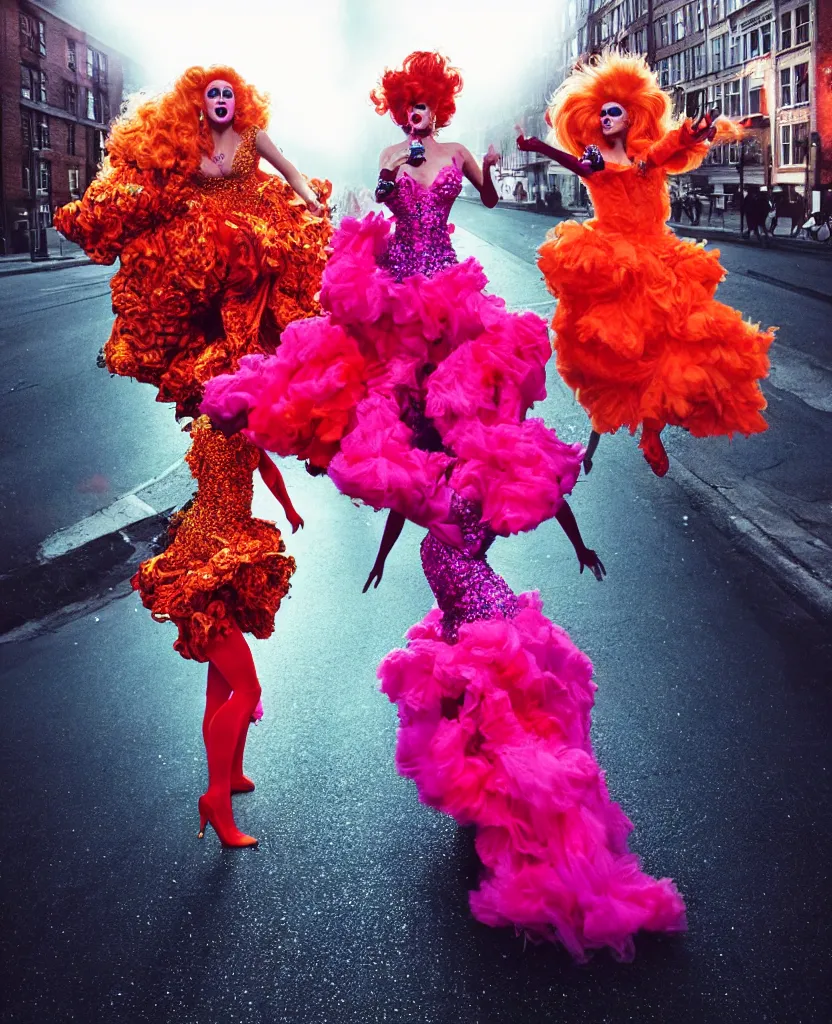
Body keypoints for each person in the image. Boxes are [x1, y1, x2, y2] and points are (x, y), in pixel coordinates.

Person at [201, 52, 686, 957]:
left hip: (451, 299)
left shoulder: (458, 152)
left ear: (442, 108)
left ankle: (511, 790)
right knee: (391, 408)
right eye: (408, 108)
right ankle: (494, 780)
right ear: (398, 108)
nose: (418, 118)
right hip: (402, 301)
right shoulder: (391, 157)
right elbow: (375, 222)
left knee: (455, 414)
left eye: (428, 108)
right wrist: (375, 196)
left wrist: (500, 163)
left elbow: (495, 207)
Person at [516, 50, 773, 476]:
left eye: (614, 112)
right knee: (622, 357)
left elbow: (667, 148)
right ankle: (627, 428)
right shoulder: (594, 164)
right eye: (600, 114)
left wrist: (694, 133)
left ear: (631, 116)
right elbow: (572, 162)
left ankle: (653, 428)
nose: (606, 119)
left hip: (658, 257)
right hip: (612, 260)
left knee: (675, 349)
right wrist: (533, 144)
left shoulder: (645, 160)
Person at [55, 64, 331, 417]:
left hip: (255, 226)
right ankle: (148, 346)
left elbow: (289, 169)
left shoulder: (252, 135)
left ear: (238, 101)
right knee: (163, 273)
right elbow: (160, 179)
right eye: (212, 93)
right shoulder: (188, 139)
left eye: (226, 93)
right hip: (206, 233)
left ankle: (253, 364)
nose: (220, 99)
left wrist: (308, 197)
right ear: (200, 102)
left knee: (270, 280)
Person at [134, 416, 302, 847]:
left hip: (206, 543)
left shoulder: (213, 422)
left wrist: (287, 506)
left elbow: (265, 465)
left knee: (221, 687)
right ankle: (215, 799)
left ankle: (230, 775)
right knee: (247, 688)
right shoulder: (240, 426)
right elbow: (263, 461)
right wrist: (284, 505)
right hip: (212, 558)